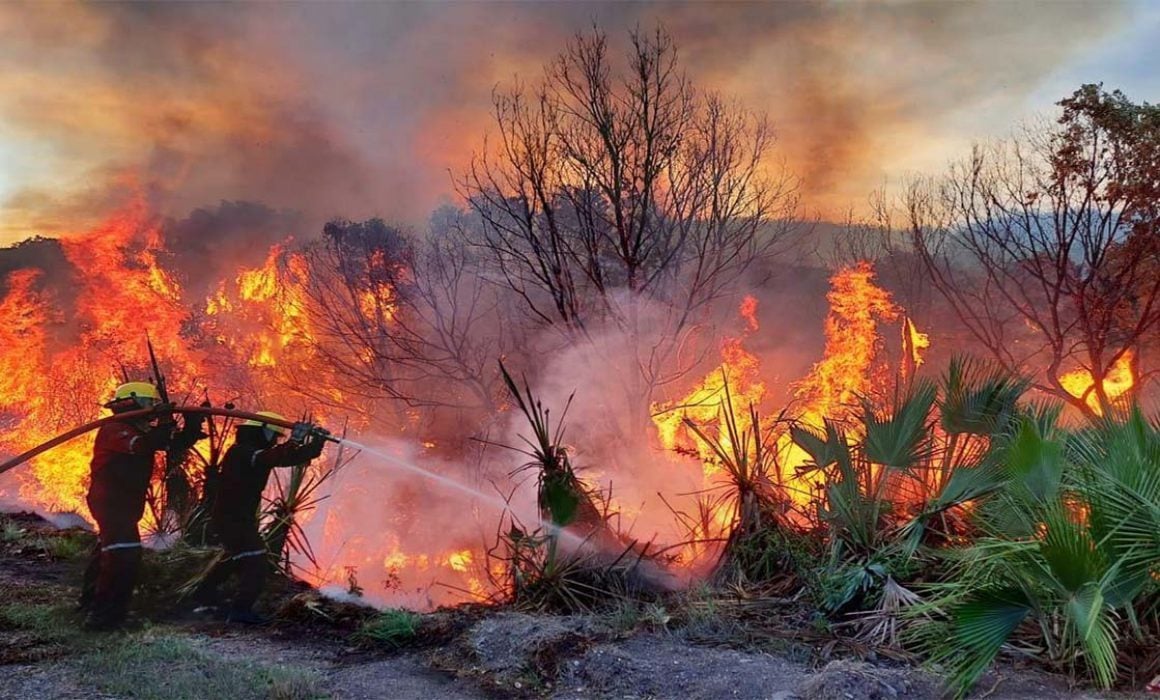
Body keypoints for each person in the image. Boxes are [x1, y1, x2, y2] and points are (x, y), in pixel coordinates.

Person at [80, 381, 206, 630]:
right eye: (150, 403)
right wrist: (165, 422)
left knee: (109, 552)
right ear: (133, 402)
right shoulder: (115, 429)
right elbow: (143, 445)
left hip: (125, 503)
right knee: (123, 557)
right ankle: (103, 618)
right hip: (112, 503)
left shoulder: (138, 430)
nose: (152, 408)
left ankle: (90, 603)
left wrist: (192, 424)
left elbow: (169, 445)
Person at [191, 411, 327, 624]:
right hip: (232, 518)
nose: (274, 440)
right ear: (262, 431)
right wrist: (294, 440)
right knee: (256, 561)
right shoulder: (243, 452)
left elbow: (289, 457)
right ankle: (240, 611)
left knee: (235, 556)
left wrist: (316, 444)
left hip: (236, 517)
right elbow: (273, 456)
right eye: (273, 435)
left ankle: (203, 594)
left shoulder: (255, 453)